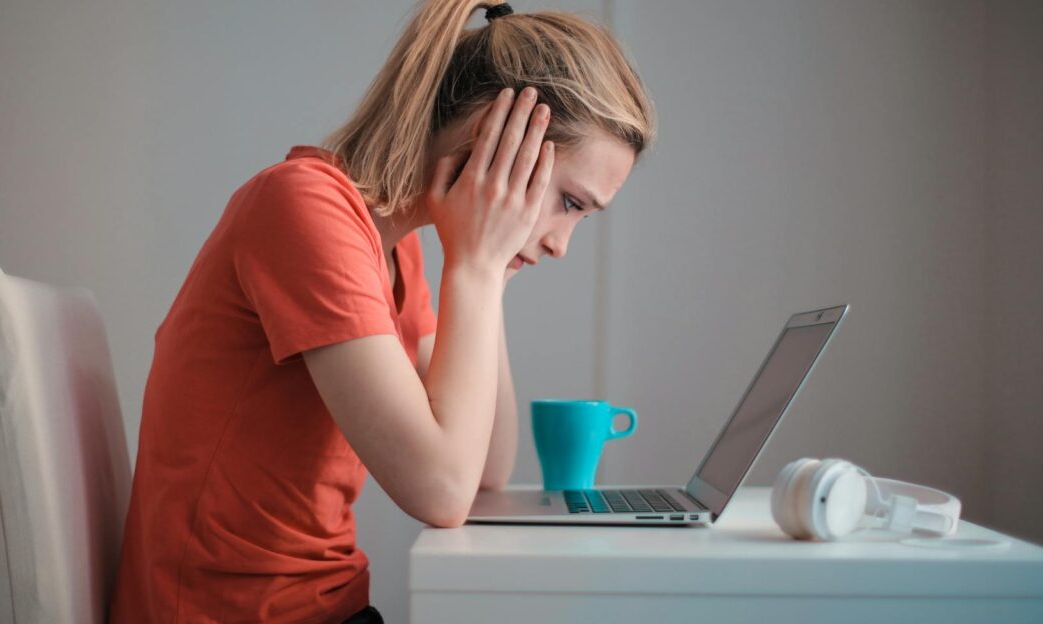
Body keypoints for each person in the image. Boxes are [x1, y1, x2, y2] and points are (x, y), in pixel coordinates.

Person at [109, 1, 655, 622]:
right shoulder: (304, 210)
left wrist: (489, 272)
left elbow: (485, 469)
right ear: (493, 141)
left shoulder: (396, 253)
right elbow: (442, 490)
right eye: (567, 202)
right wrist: (474, 269)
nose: (561, 243)